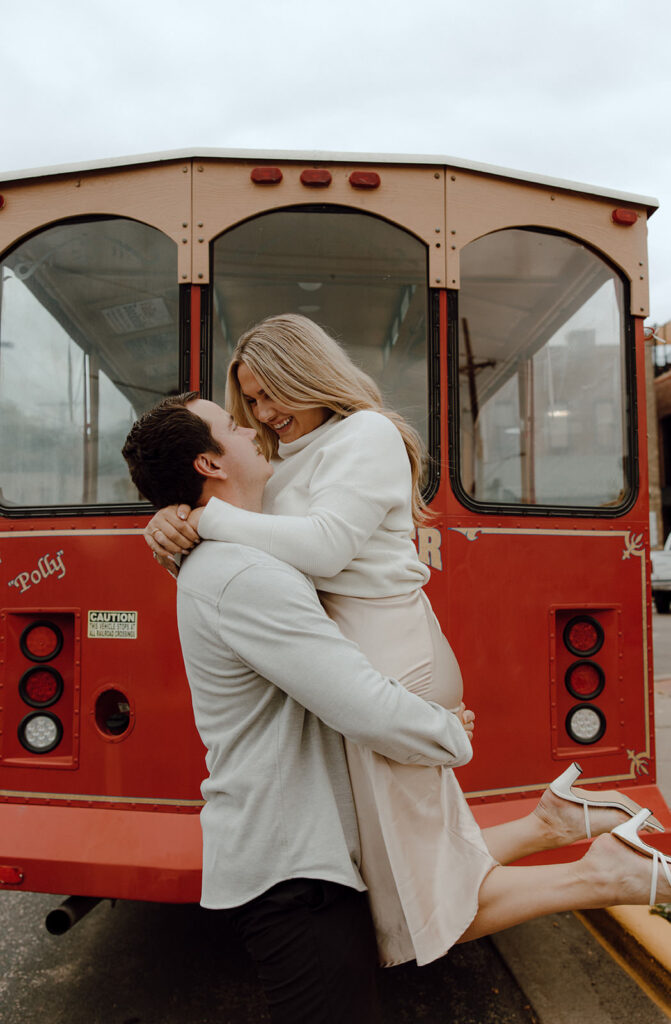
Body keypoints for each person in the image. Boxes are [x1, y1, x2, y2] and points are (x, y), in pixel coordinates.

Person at [143, 324, 670, 964]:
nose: (261, 414)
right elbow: (261, 544)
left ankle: (612, 873)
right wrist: (172, 519)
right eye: (249, 403)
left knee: (416, 898)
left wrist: (203, 517)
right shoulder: (298, 454)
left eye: (268, 393)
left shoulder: (366, 434)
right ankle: (554, 825)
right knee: (406, 864)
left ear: (307, 371)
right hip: (368, 656)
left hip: (391, 658)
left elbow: (322, 547)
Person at [123, 395, 479, 1024]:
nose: (253, 424)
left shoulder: (240, 553)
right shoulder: (243, 573)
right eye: (234, 424)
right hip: (293, 874)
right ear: (209, 462)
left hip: (298, 860)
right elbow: (358, 702)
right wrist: (449, 733)